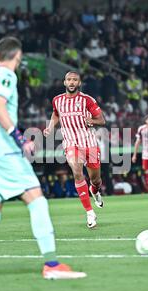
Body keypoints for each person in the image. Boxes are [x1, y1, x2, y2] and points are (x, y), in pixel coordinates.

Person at [0, 37, 86, 282]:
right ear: (17, 57)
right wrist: (20, 140)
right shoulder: (7, 76)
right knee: (37, 201)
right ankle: (52, 264)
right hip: (2, 150)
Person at [44, 70, 106, 229]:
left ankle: (95, 191)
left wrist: (90, 121)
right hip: (71, 143)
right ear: (64, 82)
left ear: (79, 83)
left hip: (90, 143)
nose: (71, 82)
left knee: (95, 180)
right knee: (77, 172)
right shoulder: (57, 100)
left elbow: (102, 120)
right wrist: (50, 127)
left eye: (75, 80)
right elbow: (56, 114)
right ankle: (89, 212)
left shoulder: (87, 100)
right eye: (69, 80)